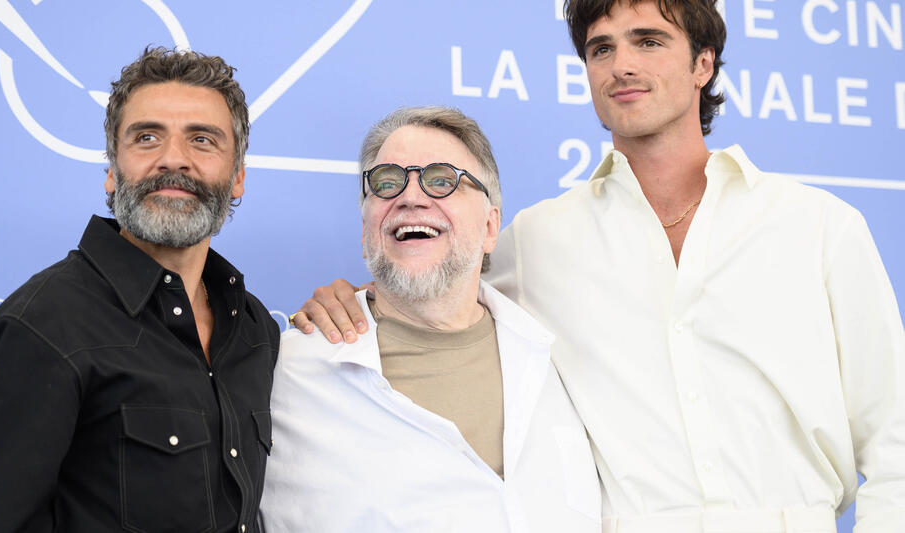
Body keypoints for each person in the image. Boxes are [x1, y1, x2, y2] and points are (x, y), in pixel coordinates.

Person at [293, 1, 905, 531]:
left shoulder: (818, 226)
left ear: (703, 63)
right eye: (600, 48)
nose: (622, 65)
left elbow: (894, 441)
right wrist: (353, 301)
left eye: (649, 40)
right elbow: (433, 285)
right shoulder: (535, 239)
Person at [0, 47, 279, 533]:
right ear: (112, 169)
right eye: (147, 137)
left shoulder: (254, 328)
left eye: (203, 140)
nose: (174, 159)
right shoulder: (39, 329)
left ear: (238, 178)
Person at [259, 106, 600, 532]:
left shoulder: (560, 358)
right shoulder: (282, 376)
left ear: (491, 227)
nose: (411, 196)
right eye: (386, 183)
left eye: (442, 180)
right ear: (366, 233)